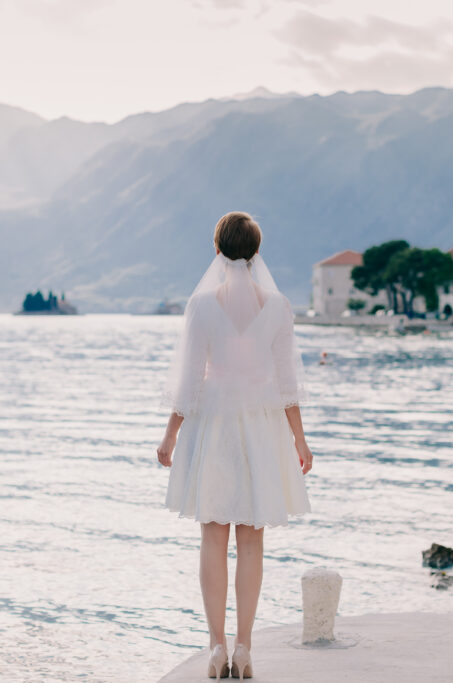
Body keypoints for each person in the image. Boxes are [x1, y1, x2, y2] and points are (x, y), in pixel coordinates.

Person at [156, 211, 314, 680]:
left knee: (213, 534)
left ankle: (215, 646)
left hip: (216, 427)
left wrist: (169, 435)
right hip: (262, 430)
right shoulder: (279, 307)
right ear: (257, 251)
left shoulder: (202, 306)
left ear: (217, 251)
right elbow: (288, 385)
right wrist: (300, 442)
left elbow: (189, 385)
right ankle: (245, 648)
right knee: (251, 540)